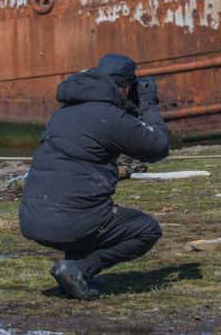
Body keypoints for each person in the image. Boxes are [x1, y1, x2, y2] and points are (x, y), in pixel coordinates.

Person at [19, 54, 169, 300]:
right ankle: (79, 268)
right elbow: (157, 147)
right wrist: (147, 103)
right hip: (68, 223)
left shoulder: (66, 112)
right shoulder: (109, 117)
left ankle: (74, 275)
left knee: (79, 205)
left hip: (33, 218)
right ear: (124, 86)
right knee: (146, 230)